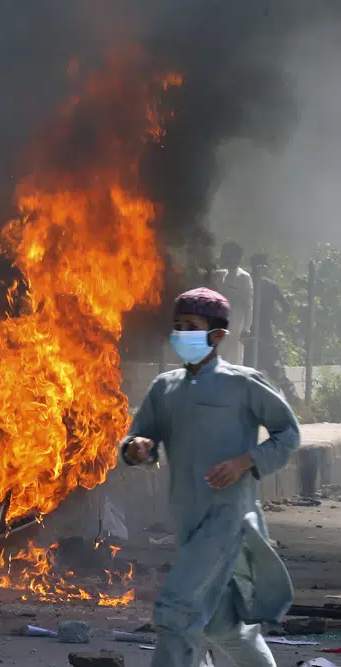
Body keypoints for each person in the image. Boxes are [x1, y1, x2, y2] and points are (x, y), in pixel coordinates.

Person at [121, 287, 300, 667]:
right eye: (178, 326)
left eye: (191, 326)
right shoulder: (165, 388)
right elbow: (141, 437)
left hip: (229, 518)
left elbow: (289, 433)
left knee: (175, 611)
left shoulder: (243, 383)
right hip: (187, 519)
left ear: (217, 336)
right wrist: (138, 448)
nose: (181, 334)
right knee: (223, 627)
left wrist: (246, 461)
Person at [245, 253, 301, 404]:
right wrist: (279, 319)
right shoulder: (263, 284)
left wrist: (277, 319)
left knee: (253, 367)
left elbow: (285, 307)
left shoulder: (247, 281)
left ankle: (292, 399)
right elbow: (286, 308)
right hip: (256, 331)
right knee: (272, 367)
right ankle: (291, 398)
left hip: (251, 330)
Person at [210, 242, 254, 365]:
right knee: (216, 360)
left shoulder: (244, 278)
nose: (226, 258)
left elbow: (248, 304)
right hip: (218, 325)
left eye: (229, 256)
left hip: (236, 327)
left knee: (234, 362)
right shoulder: (219, 275)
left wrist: (246, 328)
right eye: (225, 255)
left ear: (238, 258)